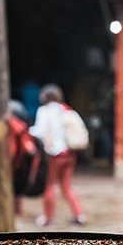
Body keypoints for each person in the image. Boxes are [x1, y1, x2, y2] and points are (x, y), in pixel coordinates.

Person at [30, 83, 87, 226]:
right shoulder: (66, 110)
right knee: (66, 186)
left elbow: (40, 131)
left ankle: (48, 217)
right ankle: (79, 215)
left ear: (46, 96)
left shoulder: (44, 111)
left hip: (53, 155)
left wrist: (27, 131)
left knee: (48, 186)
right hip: (69, 154)